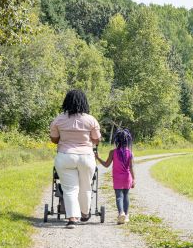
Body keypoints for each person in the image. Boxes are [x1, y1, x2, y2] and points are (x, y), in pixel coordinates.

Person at [50, 90, 102, 229]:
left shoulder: (59, 119)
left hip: (65, 156)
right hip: (86, 157)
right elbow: (96, 140)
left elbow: (54, 140)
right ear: (84, 102)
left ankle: (72, 218)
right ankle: (85, 214)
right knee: (86, 186)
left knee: (70, 189)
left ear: (66, 101)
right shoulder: (90, 120)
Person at [95, 128, 135, 224]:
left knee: (119, 197)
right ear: (128, 141)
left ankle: (121, 213)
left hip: (117, 178)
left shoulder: (113, 152)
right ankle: (126, 215)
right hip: (127, 177)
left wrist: (98, 158)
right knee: (126, 195)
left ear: (117, 140)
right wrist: (134, 179)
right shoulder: (130, 153)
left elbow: (106, 165)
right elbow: (132, 167)